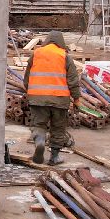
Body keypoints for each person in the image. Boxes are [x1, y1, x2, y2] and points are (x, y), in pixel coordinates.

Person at [25, 31, 81, 166]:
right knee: (58, 128)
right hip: (59, 100)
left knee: (38, 124)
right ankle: (54, 157)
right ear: (61, 42)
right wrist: (77, 99)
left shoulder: (36, 54)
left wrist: (31, 93)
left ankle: (39, 141)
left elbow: (27, 78)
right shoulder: (64, 56)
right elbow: (73, 80)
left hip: (37, 98)